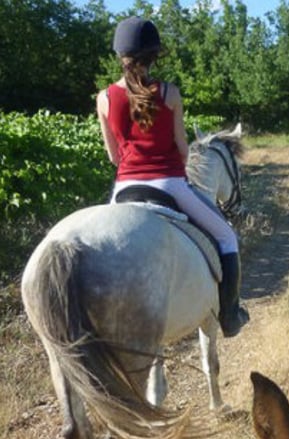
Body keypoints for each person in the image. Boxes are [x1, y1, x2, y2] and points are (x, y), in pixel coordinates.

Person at [96, 16, 248, 338]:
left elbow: (113, 157)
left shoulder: (104, 98)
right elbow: (182, 151)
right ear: (155, 56)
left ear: (119, 54)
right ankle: (230, 316)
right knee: (227, 238)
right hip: (170, 184)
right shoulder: (170, 93)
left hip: (124, 188)